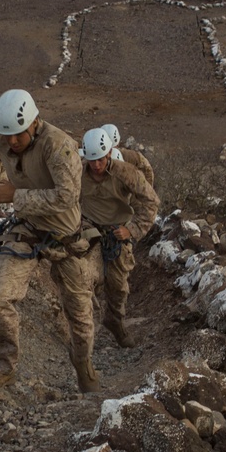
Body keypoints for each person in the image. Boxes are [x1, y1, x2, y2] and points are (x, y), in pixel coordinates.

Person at [0, 89, 101, 394]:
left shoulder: (59, 146)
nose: (12, 142)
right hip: (27, 229)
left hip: (67, 238)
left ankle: (84, 368)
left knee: (80, 316)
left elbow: (67, 196)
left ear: (33, 123)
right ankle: (4, 367)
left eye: (18, 135)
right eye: (7, 136)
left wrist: (15, 196)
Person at [80, 126, 159, 348]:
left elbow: (151, 201)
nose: (96, 165)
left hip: (116, 233)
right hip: (88, 229)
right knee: (81, 277)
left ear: (109, 154)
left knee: (118, 286)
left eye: (101, 160)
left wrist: (132, 229)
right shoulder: (77, 170)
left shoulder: (126, 172)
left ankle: (115, 321)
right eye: (92, 160)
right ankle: (82, 330)